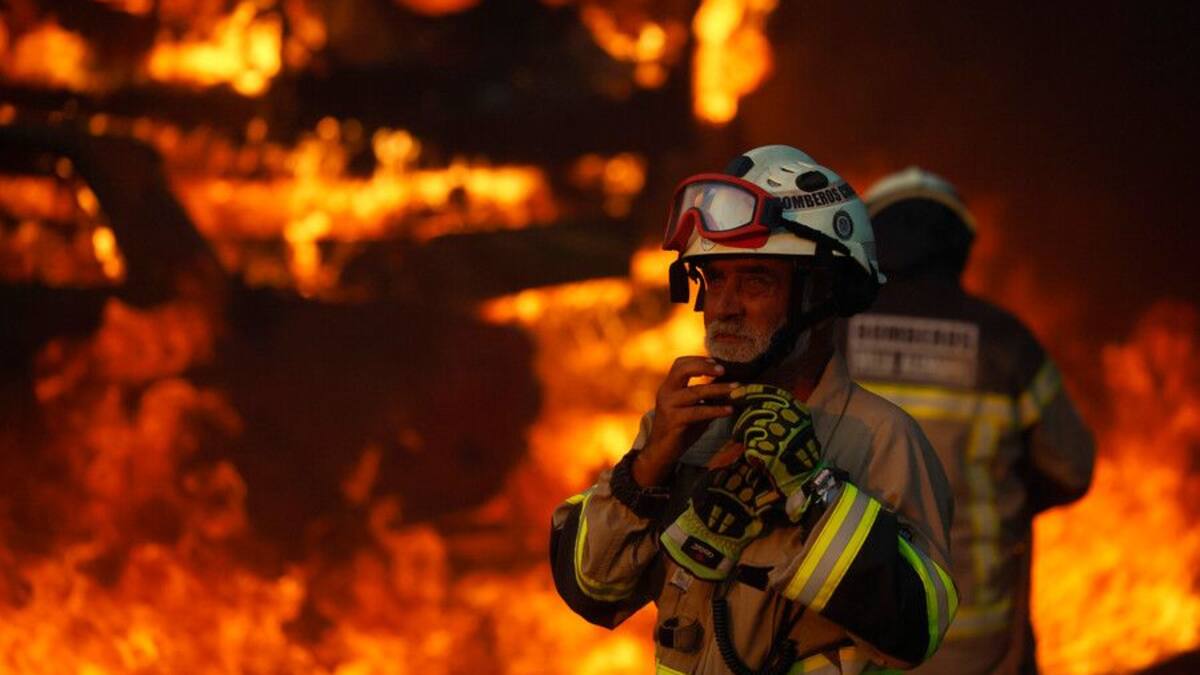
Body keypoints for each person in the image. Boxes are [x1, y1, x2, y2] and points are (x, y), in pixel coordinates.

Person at [550, 145, 958, 674]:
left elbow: (915, 630)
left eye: (755, 280)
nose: (722, 305)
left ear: (822, 291)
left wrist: (815, 493)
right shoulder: (686, 429)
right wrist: (646, 469)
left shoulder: (882, 440)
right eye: (713, 278)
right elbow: (591, 591)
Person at [841, 167, 1095, 673]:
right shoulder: (1007, 344)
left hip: (848, 638)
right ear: (959, 248)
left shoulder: (827, 336)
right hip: (974, 644)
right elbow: (1072, 468)